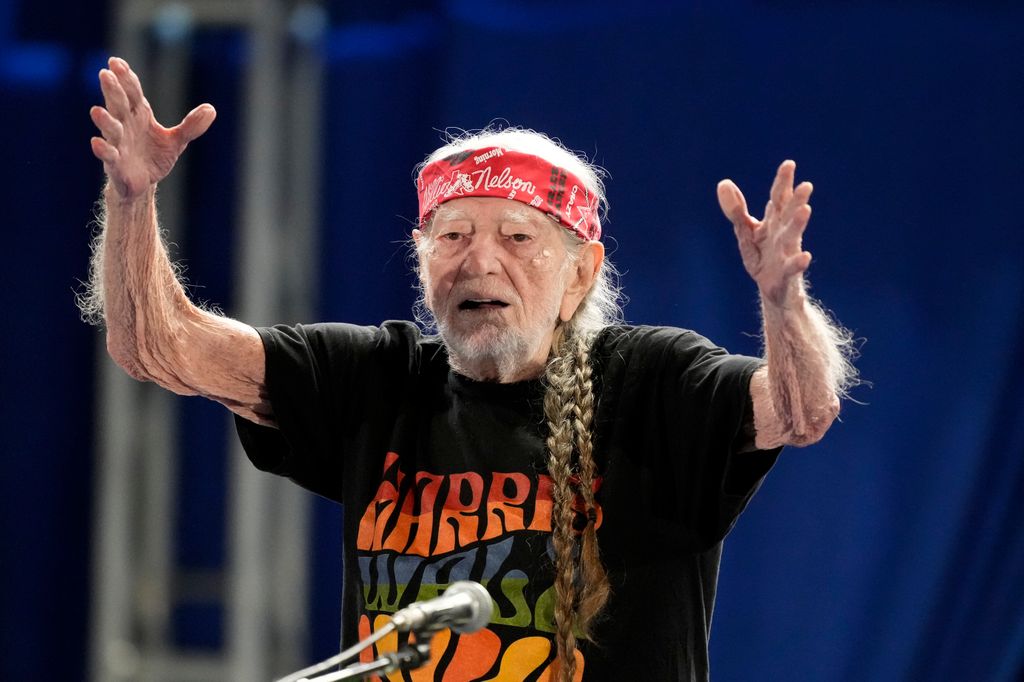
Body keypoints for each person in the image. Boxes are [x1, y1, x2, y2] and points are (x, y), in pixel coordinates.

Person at [85, 56, 856, 682]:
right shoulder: (374, 379)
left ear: (580, 275)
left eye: (518, 239)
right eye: (451, 236)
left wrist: (783, 303)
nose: (477, 261)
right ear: (423, 265)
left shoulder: (651, 384)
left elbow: (801, 410)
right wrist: (132, 201)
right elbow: (158, 345)